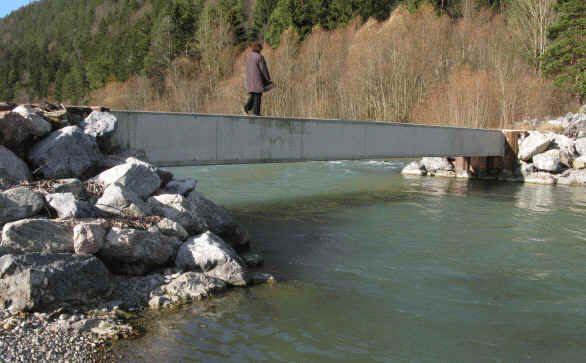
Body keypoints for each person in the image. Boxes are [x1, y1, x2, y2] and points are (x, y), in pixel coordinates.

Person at [244, 41, 273, 116]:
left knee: (253, 94)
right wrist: (268, 79)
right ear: (259, 48)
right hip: (257, 79)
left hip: (249, 78)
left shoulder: (249, 56)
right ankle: (256, 113)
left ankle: (247, 107)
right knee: (258, 95)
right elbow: (263, 69)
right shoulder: (259, 57)